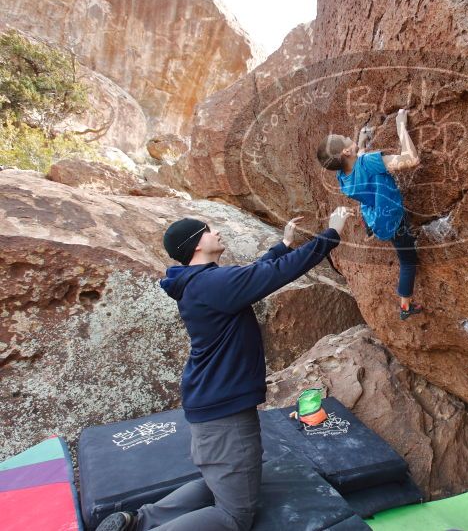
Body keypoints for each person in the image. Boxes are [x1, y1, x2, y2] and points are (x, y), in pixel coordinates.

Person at [96, 207, 354, 531]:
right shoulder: (212, 283)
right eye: (208, 229)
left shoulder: (202, 283)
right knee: (235, 515)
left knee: (219, 479)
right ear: (196, 245)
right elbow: (274, 275)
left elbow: (252, 276)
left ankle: (137, 522)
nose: (216, 232)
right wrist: (331, 235)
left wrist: (282, 245)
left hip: (211, 405)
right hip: (225, 413)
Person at [316, 108, 423, 320]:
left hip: (375, 214)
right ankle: (405, 305)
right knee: (408, 262)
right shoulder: (370, 163)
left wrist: (360, 143)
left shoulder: (342, 177)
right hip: (393, 219)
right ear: (346, 152)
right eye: (346, 139)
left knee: (380, 218)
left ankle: (370, 228)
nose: (348, 137)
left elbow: (357, 166)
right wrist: (401, 125)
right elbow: (411, 159)